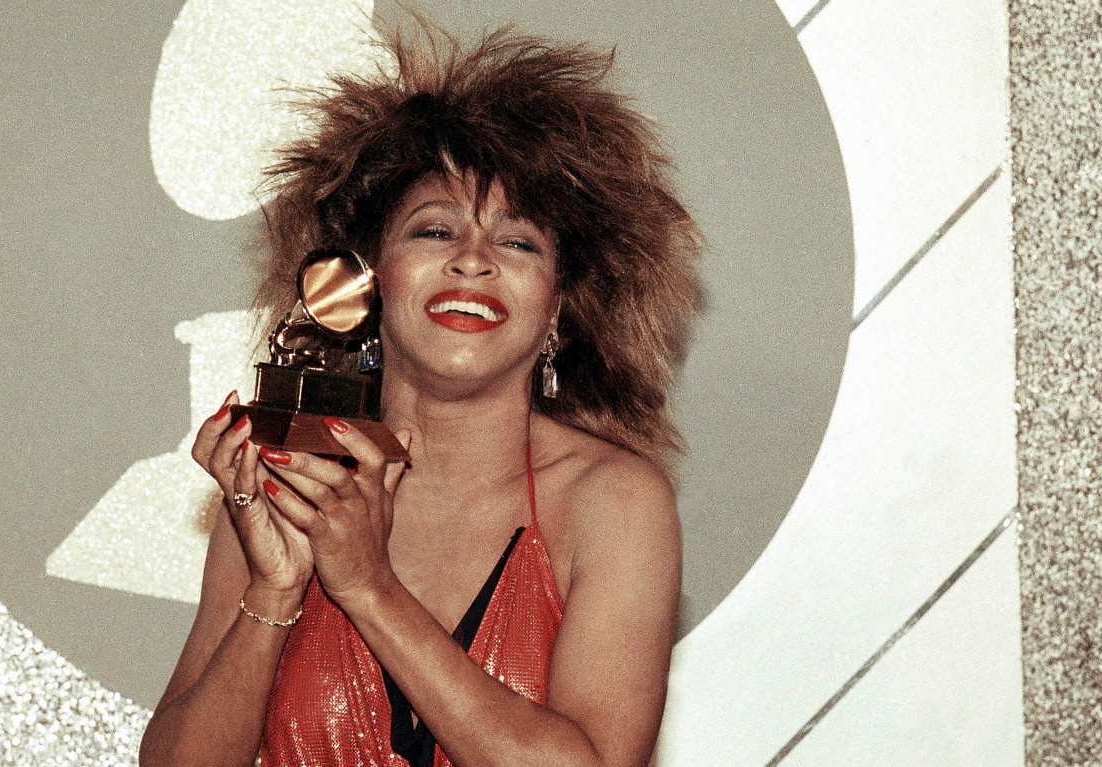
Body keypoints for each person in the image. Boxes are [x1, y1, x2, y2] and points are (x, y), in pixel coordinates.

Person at [140, 21, 705, 767]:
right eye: (434, 231)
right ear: (367, 281)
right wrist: (276, 591)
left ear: (557, 309)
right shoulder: (291, 476)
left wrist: (368, 586)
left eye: (518, 242)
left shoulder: (614, 501)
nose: (472, 260)